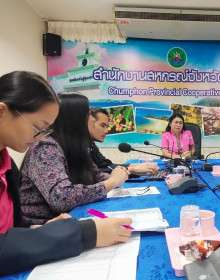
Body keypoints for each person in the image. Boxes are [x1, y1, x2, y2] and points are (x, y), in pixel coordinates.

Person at [0, 71, 132, 276]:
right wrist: (83, 233)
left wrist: (36, 233)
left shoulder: (6, 161)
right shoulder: (45, 148)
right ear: (2, 112)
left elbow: (9, 231)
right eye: (37, 127)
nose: (39, 137)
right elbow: (62, 198)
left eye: (46, 129)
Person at [20, 93, 130, 226]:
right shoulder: (46, 148)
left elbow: (95, 174)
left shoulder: (77, 146)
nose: (93, 120)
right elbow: (61, 198)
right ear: (75, 118)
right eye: (89, 114)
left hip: (72, 218)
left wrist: (117, 176)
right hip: (43, 227)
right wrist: (111, 182)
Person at [89, 107, 158, 175]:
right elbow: (95, 174)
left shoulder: (91, 144)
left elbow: (106, 165)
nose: (106, 131)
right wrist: (131, 169)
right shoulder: (79, 148)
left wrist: (134, 166)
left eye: (107, 126)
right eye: (102, 126)